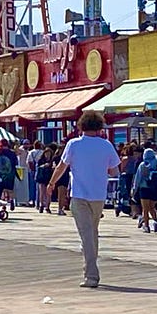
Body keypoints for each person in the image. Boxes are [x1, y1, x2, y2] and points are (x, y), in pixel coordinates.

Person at [49, 112, 122, 289]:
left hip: (80, 194)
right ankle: (89, 263)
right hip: (99, 196)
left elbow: (62, 166)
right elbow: (115, 171)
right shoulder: (106, 145)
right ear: (99, 126)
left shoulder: (73, 144)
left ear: (80, 126)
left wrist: (52, 183)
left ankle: (91, 274)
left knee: (87, 234)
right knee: (92, 233)